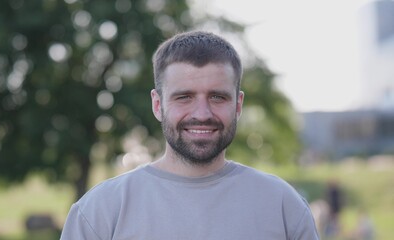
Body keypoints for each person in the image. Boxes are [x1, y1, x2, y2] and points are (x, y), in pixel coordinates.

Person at [60, 31, 320, 240]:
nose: (202, 113)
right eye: (184, 97)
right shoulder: (99, 212)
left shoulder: (282, 206)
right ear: (158, 104)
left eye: (217, 97)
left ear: (238, 105)